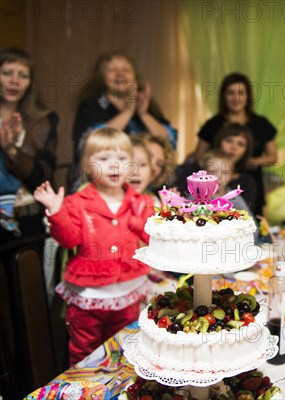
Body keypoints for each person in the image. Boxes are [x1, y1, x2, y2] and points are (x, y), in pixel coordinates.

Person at [34, 128, 155, 365]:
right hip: (88, 295)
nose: (114, 166)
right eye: (103, 158)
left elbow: (152, 239)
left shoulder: (140, 202)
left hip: (128, 292)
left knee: (124, 346)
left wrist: (144, 221)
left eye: (121, 158)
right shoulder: (77, 202)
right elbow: (69, 239)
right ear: (87, 166)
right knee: (84, 351)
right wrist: (57, 212)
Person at [192, 73, 277, 216]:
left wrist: (251, 161)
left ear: (248, 96)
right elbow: (199, 156)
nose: (236, 98)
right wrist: (216, 168)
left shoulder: (261, 124)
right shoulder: (213, 124)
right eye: (231, 93)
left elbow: (273, 156)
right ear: (223, 96)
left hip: (250, 179)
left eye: (241, 93)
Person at [72, 51, 176, 162]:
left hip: (142, 176)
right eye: (112, 70)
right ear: (101, 77)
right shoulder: (90, 105)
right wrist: (128, 112)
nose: (120, 74)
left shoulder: (147, 105)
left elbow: (169, 145)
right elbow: (90, 146)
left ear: (135, 78)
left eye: (126, 70)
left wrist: (144, 115)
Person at [0, 47, 58, 240]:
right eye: (7, 73)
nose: (14, 81)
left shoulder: (44, 121)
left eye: (22, 75)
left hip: (29, 217)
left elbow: (44, 178)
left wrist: (11, 151)